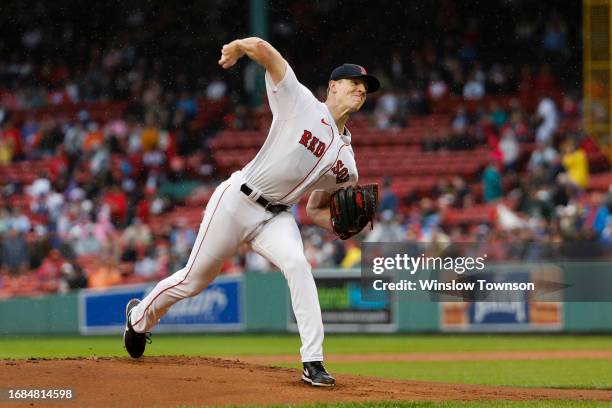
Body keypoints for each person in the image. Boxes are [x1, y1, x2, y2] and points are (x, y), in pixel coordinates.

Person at [123, 37, 380, 387]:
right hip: (237, 200)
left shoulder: (347, 166)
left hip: (276, 217)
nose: (362, 91)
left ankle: (313, 361)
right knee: (193, 281)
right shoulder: (300, 102)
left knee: (298, 264)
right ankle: (138, 318)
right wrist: (239, 48)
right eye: (356, 84)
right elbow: (263, 48)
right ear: (333, 86)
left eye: (366, 89)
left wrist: (341, 225)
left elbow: (317, 208)